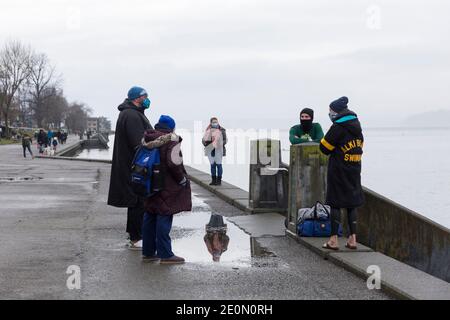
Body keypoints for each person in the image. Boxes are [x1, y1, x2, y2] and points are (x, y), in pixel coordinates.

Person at [141, 115, 192, 264]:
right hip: (166, 185)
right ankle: (165, 254)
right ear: (171, 127)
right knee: (164, 215)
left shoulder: (147, 138)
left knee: (150, 214)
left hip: (150, 182)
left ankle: (148, 252)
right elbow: (174, 163)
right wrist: (182, 179)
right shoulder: (172, 140)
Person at [108, 86, 152, 250]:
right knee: (137, 201)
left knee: (135, 201)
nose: (147, 99)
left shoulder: (131, 113)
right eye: (145, 96)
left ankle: (134, 234)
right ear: (137, 98)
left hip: (130, 164)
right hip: (133, 166)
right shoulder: (132, 115)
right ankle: (136, 237)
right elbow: (138, 143)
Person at [319, 96, 364, 251]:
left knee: (335, 203)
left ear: (336, 112)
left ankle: (333, 240)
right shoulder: (357, 127)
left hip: (338, 170)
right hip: (354, 169)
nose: (330, 113)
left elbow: (324, 148)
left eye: (330, 111)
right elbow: (360, 146)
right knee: (352, 204)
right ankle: (353, 239)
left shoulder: (338, 127)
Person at [202, 117, 227, 186]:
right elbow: (203, 140)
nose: (215, 123)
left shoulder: (222, 130)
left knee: (219, 165)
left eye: (216, 122)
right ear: (211, 123)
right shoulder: (208, 130)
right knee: (212, 165)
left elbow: (225, 140)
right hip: (210, 150)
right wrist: (206, 144)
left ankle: (219, 181)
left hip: (219, 149)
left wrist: (220, 143)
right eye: (213, 122)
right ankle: (213, 180)